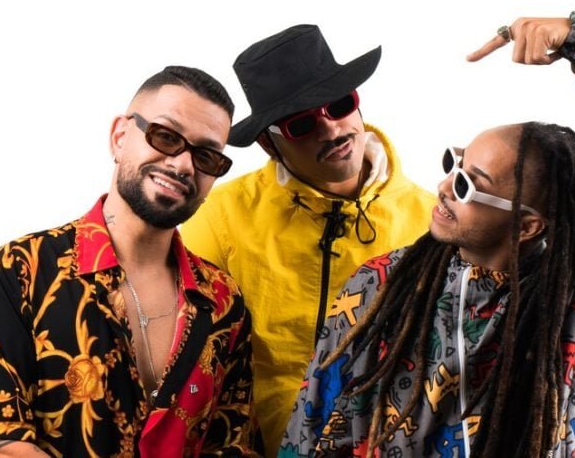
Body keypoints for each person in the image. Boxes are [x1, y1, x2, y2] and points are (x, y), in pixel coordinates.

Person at [282, 12, 575, 458]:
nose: (444, 186)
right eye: (454, 163)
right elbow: (312, 419)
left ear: (527, 226)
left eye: (468, 185)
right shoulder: (380, 281)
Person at [0, 66, 259, 457]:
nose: (182, 165)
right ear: (120, 137)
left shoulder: (223, 301)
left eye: (206, 156)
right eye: (165, 136)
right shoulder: (21, 269)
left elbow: (234, 443)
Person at [180, 25, 436, 455]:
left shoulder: (432, 220)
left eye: (339, 105)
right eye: (302, 124)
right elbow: (187, 350)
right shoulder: (220, 215)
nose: (332, 130)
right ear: (269, 144)